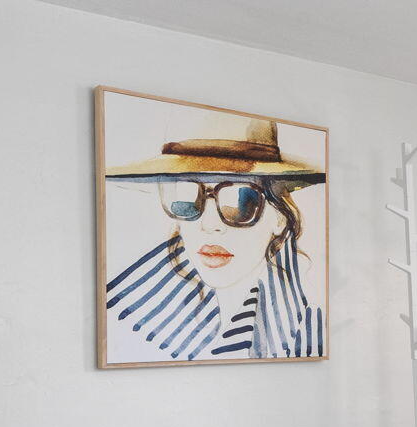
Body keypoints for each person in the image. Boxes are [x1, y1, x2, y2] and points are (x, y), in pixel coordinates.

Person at [104, 114, 324, 361]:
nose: (209, 225)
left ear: (279, 219)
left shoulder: (309, 329)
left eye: (241, 202)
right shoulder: (126, 316)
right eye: (188, 199)